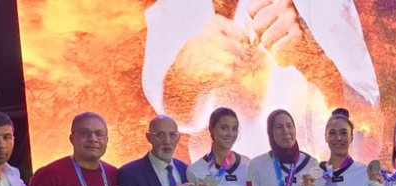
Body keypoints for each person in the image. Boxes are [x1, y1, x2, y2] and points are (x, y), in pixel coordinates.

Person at [142, 0, 382, 159]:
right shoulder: (176, 7)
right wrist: (184, 76)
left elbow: (369, 129)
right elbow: (165, 100)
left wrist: (317, 64)